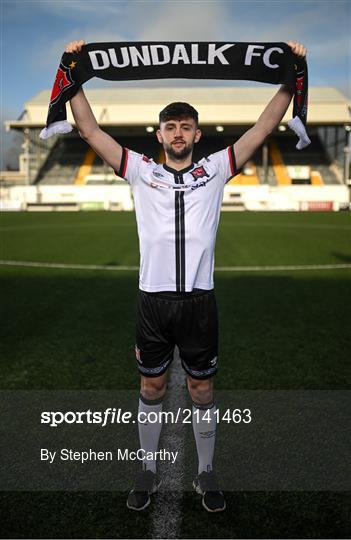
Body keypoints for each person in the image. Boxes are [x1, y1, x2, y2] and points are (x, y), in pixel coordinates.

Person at [66, 39, 307, 513]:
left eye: (186, 126)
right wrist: (72, 73)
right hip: (153, 302)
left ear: (198, 135)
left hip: (199, 303)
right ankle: (148, 470)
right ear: (159, 135)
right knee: (150, 388)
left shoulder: (216, 169)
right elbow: (90, 129)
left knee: (202, 389)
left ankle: (206, 472)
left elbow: (264, 125)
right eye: (171, 126)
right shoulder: (140, 171)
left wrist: (290, 75)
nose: (178, 133)